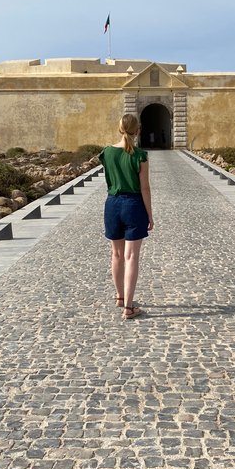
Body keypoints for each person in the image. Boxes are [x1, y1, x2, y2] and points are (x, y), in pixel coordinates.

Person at [99, 113, 154, 319]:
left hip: (112, 204)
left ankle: (120, 297)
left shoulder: (106, 153)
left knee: (116, 255)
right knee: (131, 256)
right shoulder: (140, 155)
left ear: (119, 128)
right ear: (137, 130)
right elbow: (145, 188)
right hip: (133, 205)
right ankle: (129, 308)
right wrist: (150, 214)